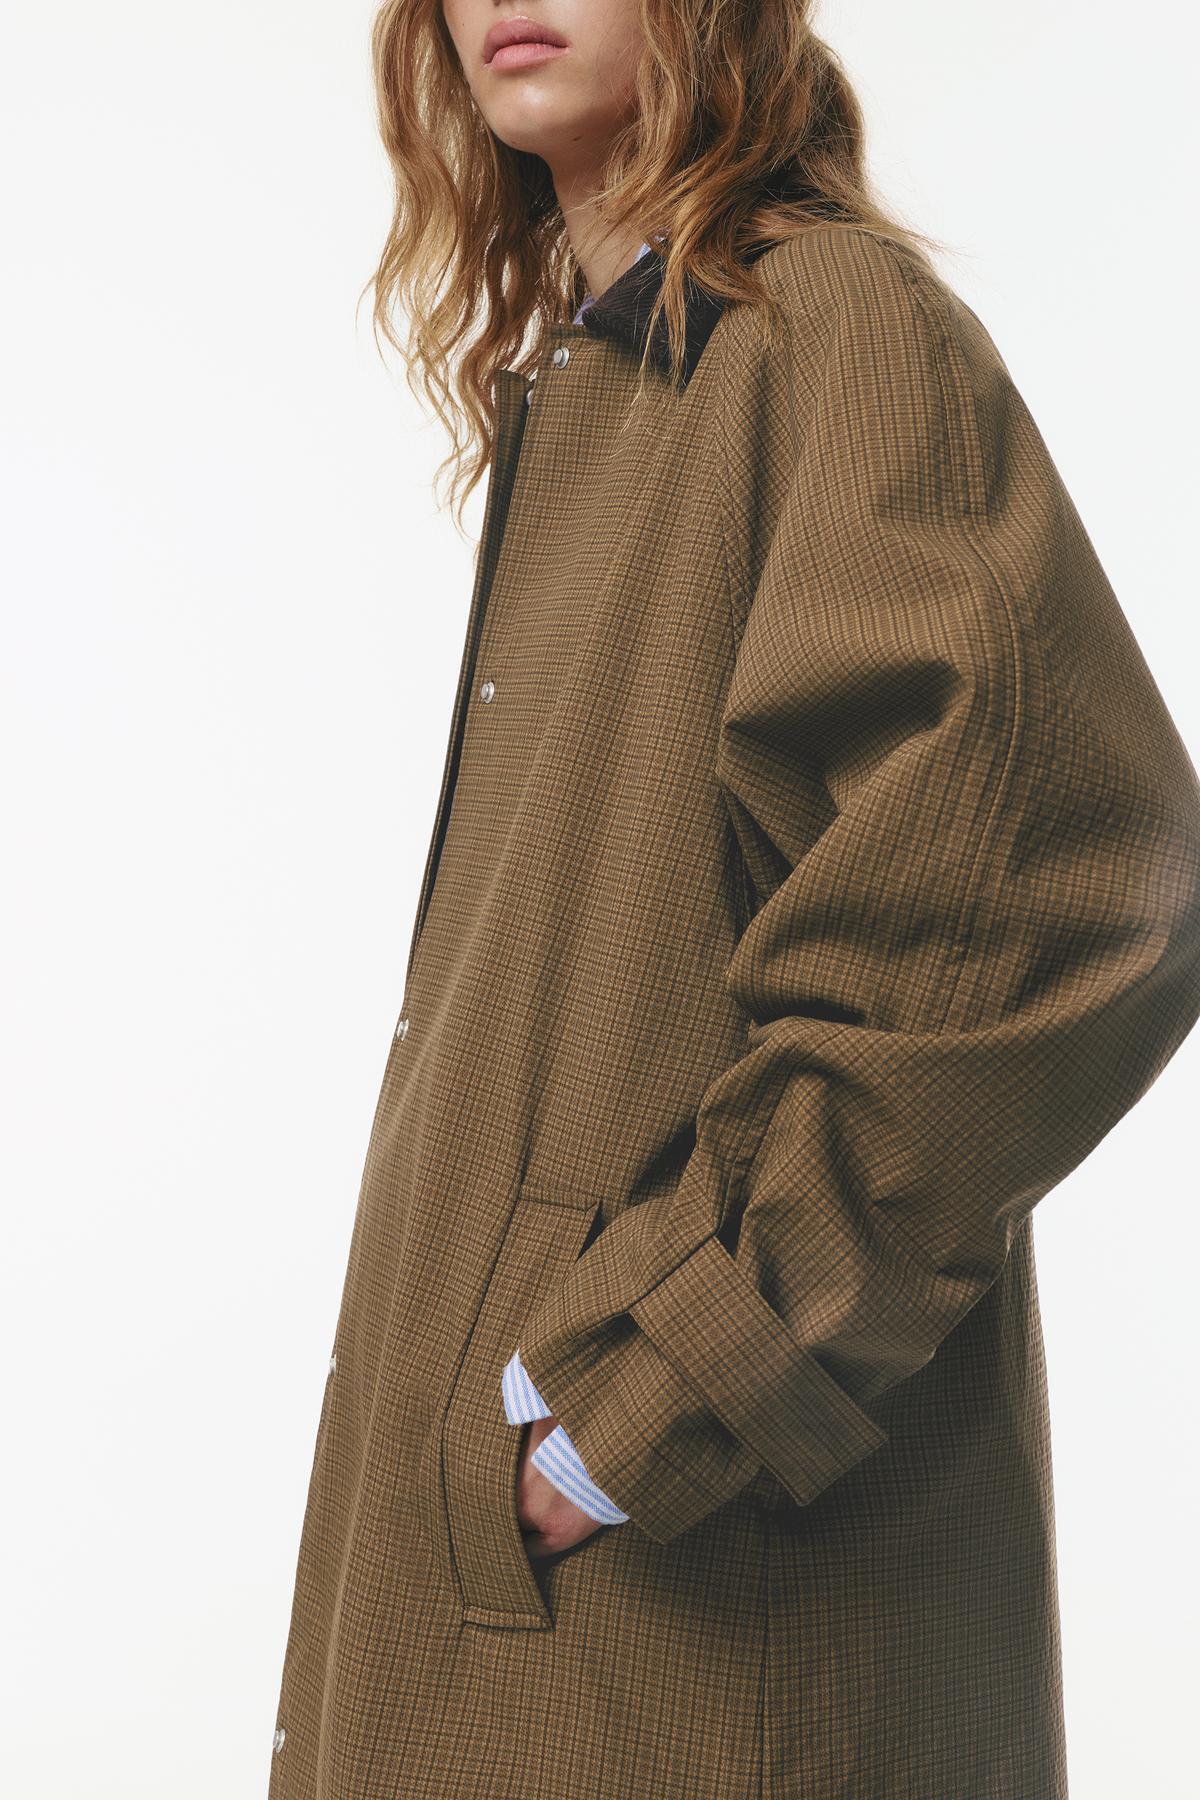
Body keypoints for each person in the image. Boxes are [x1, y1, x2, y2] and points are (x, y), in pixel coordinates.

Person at [267, 2, 1200, 1795]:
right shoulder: (619, 375)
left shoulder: (825, 328)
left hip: (699, 1587)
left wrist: (649, 1395)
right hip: (570, 1560)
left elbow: (1057, 898)